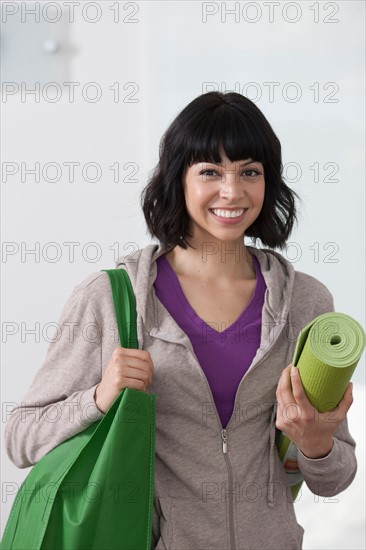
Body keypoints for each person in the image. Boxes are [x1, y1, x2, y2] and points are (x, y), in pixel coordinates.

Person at [4, 91, 356, 550]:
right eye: (210, 171)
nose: (232, 191)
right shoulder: (113, 299)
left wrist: (316, 443)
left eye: (249, 171)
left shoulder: (305, 302)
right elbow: (20, 439)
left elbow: (334, 480)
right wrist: (97, 397)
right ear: (178, 180)